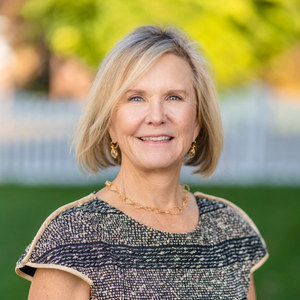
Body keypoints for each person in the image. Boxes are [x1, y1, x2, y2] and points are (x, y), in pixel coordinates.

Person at [16, 25, 268, 299]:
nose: (157, 116)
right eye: (136, 98)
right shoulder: (73, 238)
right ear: (110, 123)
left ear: (197, 121)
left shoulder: (230, 230)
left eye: (174, 97)